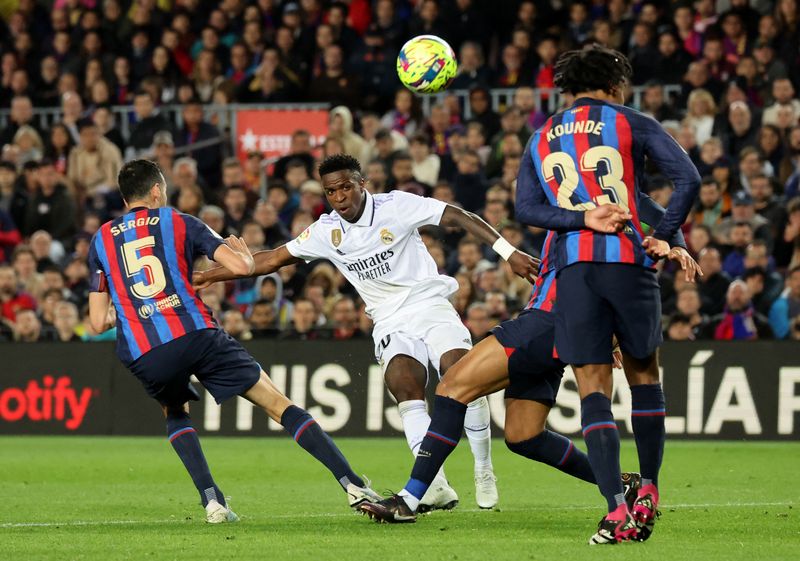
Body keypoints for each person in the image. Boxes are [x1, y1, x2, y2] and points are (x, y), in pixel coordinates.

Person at [196, 154, 540, 511]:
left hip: (429, 304)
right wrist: (213, 275)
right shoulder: (327, 231)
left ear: (363, 184)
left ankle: (483, 468)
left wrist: (508, 251)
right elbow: (271, 259)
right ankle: (435, 484)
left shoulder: (396, 206)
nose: (340, 196)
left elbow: (457, 215)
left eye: (346, 186)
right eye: (331, 191)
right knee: (405, 386)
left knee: (461, 374)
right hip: (389, 320)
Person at [357, 195, 700, 526]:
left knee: (452, 387)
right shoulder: (580, 210)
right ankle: (624, 484)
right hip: (560, 327)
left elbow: (649, 217)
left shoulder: (610, 211)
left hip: (545, 322)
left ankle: (410, 498)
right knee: (524, 436)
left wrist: (676, 243)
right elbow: (653, 214)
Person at [86, 160, 380, 523]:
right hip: (195, 332)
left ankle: (212, 502)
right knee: (277, 403)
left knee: (175, 412)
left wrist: (137, 307)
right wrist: (241, 254)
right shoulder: (180, 222)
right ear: (157, 191)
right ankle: (352, 484)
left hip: (145, 350)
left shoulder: (100, 239)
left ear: (124, 196)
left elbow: (98, 321)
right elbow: (241, 268)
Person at [511, 45, 701, 544]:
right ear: (616, 84)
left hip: (574, 271)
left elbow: (527, 208)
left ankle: (615, 509)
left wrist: (579, 218)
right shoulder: (630, 121)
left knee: (593, 385)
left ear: (568, 88)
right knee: (643, 376)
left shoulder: (542, 136)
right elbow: (687, 178)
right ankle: (651, 490)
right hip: (627, 265)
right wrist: (668, 235)